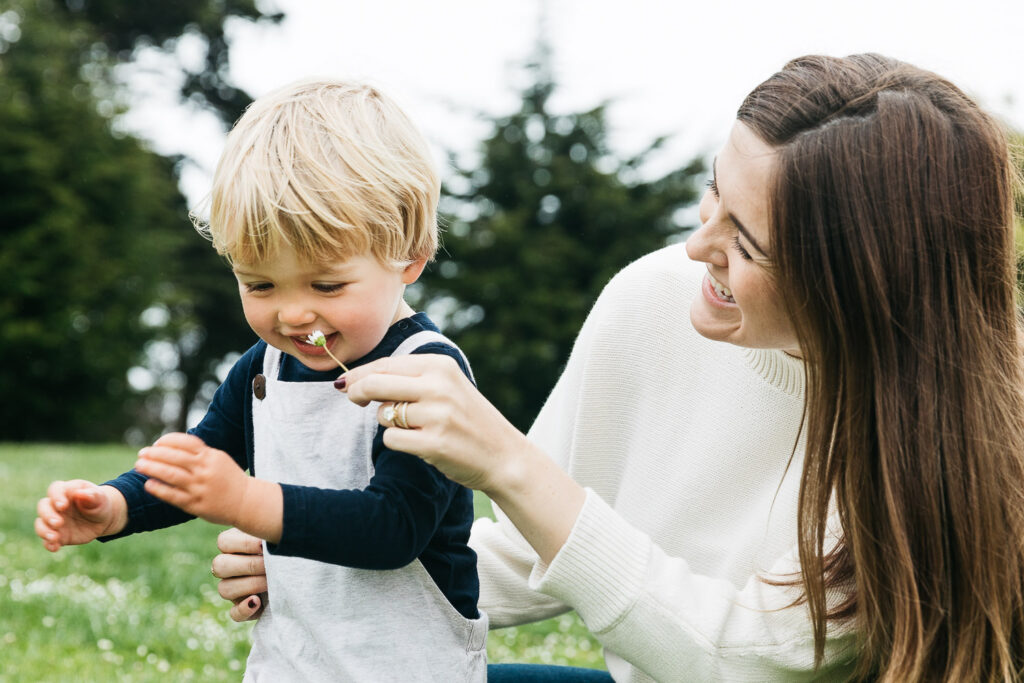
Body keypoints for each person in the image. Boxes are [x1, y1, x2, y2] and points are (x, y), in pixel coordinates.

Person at [214, 54, 1024, 682]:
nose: (697, 247)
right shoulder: (655, 298)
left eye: (744, 241)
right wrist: (329, 561)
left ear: (855, 283)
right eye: (713, 195)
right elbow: (548, 549)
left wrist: (508, 460)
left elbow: (742, 662)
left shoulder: (947, 443)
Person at [34, 79, 488, 681]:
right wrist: (117, 505)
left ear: (409, 254)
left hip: (406, 662)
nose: (293, 314)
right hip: (291, 660)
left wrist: (246, 501)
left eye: (326, 285)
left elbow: (394, 530)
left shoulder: (426, 371)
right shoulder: (264, 368)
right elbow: (199, 459)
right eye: (260, 285)